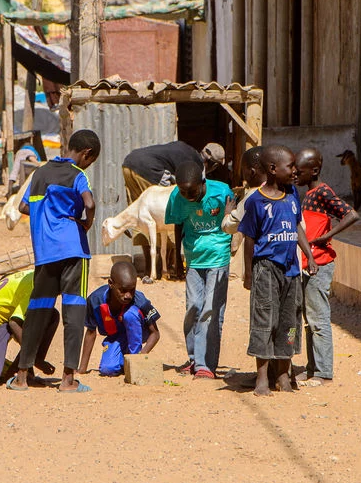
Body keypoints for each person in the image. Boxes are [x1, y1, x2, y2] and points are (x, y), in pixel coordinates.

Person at [8, 129, 101, 393]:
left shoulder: (40, 174)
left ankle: (22, 376)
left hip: (45, 252)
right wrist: (86, 222)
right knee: (74, 312)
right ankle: (68, 380)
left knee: (37, 312)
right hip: (74, 251)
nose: (88, 165)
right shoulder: (78, 175)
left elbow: (23, 207)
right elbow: (90, 203)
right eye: (90, 161)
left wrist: (46, 213)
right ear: (86, 153)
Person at [238, 145, 318, 396]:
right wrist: (249, 274)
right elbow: (249, 239)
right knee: (264, 319)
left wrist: (309, 255)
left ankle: (284, 374)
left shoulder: (292, 196)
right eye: (290, 167)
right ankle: (262, 378)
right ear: (273, 169)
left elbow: (297, 229)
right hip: (266, 269)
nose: (295, 171)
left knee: (290, 321)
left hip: (291, 271)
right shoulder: (256, 201)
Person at [293, 148, 359, 386]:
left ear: (314, 171)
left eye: (298, 171)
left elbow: (351, 215)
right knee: (310, 318)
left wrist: (325, 237)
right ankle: (312, 368)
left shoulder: (322, 192)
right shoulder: (307, 194)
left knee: (318, 319)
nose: (294, 175)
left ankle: (323, 372)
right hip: (308, 262)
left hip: (320, 263)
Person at [165, 161, 234, 379]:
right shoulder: (177, 196)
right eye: (183, 191)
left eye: (192, 191)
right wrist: (177, 258)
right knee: (193, 307)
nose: (187, 195)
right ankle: (194, 358)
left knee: (211, 310)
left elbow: (231, 222)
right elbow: (177, 224)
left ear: (202, 183)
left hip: (217, 257)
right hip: (194, 259)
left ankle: (206, 364)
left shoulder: (222, 192)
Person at [121, 140, 204, 278]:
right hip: (148, 170)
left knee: (140, 215)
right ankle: (164, 267)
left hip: (128, 163)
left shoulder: (184, 149)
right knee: (168, 210)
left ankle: (150, 267)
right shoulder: (194, 165)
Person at [78, 261, 161, 375]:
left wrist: (139, 359)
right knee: (108, 369)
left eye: (132, 290)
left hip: (140, 332)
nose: (128, 295)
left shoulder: (139, 301)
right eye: (123, 290)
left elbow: (155, 334)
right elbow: (91, 332)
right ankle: (124, 360)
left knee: (130, 315)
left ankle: (133, 357)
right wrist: (82, 368)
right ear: (111, 283)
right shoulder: (95, 301)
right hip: (117, 337)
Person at [222, 146, 265, 258]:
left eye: (243, 171)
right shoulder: (286, 191)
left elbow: (229, 226)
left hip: (262, 260)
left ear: (251, 172)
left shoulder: (252, 196)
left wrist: (227, 213)